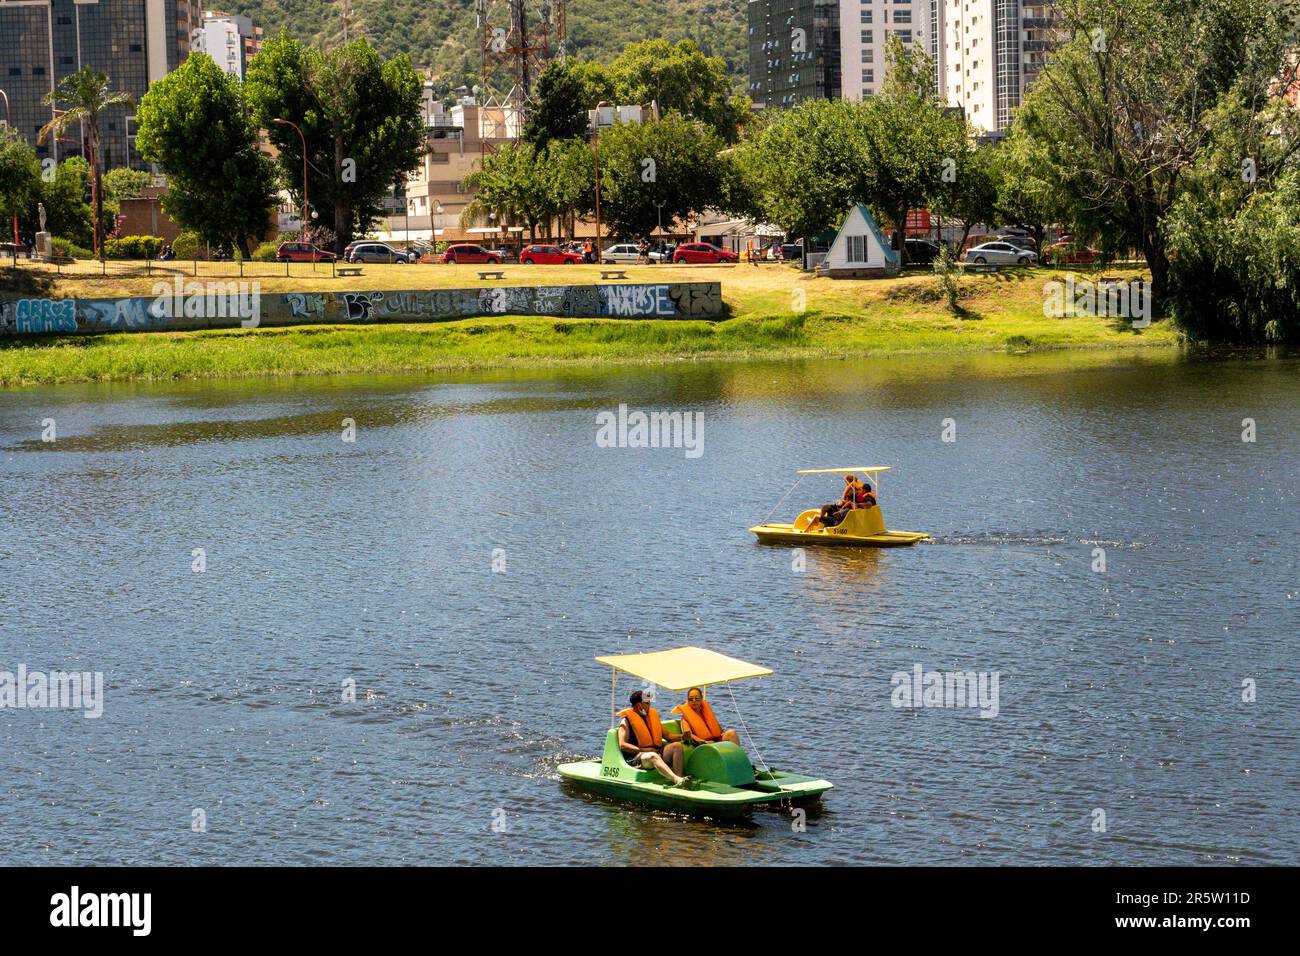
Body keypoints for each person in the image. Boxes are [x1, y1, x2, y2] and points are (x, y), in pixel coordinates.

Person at [616, 690, 686, 786]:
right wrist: (643, 750)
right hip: (637, 757)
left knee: (677, 747)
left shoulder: (651, 717)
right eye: (647, 703)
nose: (650, 706)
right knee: (652, 756)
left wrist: (683, 737)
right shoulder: (625, 722)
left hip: (656, 752)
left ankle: (680, 778)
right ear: (639, 705)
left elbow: (668, 736)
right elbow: (622, 745)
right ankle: (676, 780)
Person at [672, 688, 741, 747]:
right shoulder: (684, 718)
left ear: (701, 699)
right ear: (687, 701)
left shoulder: (705, 711)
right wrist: (705, 742)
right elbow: (689, 735)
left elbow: (718, 729)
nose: (694, 701)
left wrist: (723, 733)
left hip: (716, 740)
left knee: (732, 733)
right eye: (691, 699)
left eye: (697, 698)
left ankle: (738, 758)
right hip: (703, 745)